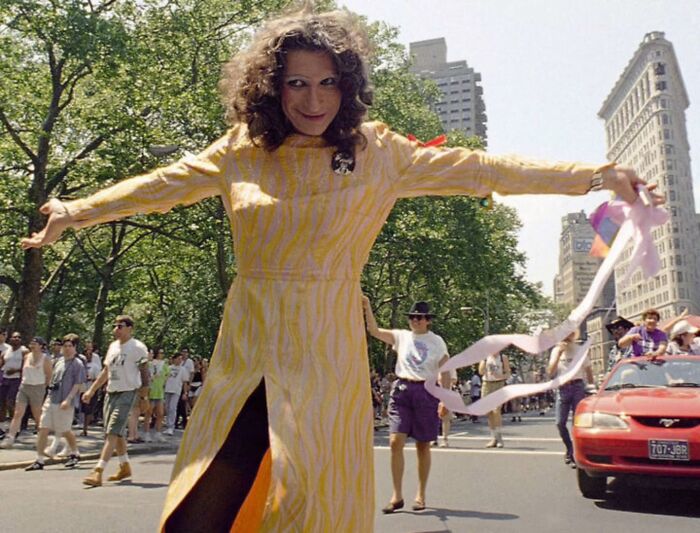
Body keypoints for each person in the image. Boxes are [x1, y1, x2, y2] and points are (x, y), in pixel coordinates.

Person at [19, 4, 660, 530]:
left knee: (310, 498)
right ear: (271, 87)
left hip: (324, 352)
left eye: (328, 82)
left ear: (347, 86)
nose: (314, 98)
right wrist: (75, 210)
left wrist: (596, 177)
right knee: (205, 498)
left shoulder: (380, 152)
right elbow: (160, 185)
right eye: (297, 82)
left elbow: (482, 170)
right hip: (246, 347)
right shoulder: (243, 151)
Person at [363, 297, 450, 513]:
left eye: (420, 317)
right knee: (395, 442)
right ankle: (397, 495)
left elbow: (445, 371)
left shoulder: (437, 341)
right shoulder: (401, 337)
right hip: (402, 390)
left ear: (428, 320)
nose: (416, 321)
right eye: (412, 317)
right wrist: (366, 305)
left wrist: (444, 398)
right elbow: (373, 330)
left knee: (423, 445)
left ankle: (420, 494)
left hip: (426, 391)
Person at [81, 316, 149, 487]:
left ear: (130, 328)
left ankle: (98, 471)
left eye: (120, 326)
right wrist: (92, 390)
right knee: (115, 432)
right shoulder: (113, 347)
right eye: (115, 326)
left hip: (128, 392)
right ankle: (124, 466)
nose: (116, 329)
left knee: (112, 431)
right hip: (111, 392)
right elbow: (106, 371)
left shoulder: (138, 348)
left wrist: (144, 397)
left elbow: (145, 373)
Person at [24, 334, 86, 471]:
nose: (67, 349)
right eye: (65, 346)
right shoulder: (58, 361)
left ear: (75, 347)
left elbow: (78, 384)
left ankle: (75, 453)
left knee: (65, 430)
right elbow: (52, 379)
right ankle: (39, 460)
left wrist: (68, 399)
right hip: (52, 398)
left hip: (65, 401)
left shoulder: (78, 364)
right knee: (43, 428)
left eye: (70, 346)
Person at [547, 331, 593, 467]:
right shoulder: (556, 350)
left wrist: (591, 389)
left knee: (577, 422)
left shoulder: (579, 349)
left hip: (578, 386)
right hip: (563, 388)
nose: (566, 337)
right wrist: (559, 354)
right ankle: (570, 447)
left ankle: (575, 453)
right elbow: (550, 372)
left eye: (569, 334)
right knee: (560, 422)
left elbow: (588, 370)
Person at [0, 337, 53, 448]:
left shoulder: (45, 359)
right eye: (31, 343)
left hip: (37, 387)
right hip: (24, 386)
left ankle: (43, 438)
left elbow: (49, 376)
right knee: (18, 413)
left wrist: (43, 387)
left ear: (41, 346)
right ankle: (10, 438)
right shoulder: (27, 356)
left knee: (37, 415)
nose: (32, 345)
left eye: (35, 343)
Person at [479, 351, 511, 448]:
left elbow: (508, 373)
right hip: (487, 384)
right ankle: (493, 437)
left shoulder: (503, 357)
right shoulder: (485, 357)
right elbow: (480, 372)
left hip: (499, 384)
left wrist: (500, 376)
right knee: (489, 412)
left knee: (496, 410)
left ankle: (499, 437)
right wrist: (484, 364)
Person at [0, 332, 29, 424]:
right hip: (5, 379)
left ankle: (15, 424)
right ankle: (2, 425)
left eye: (19, 337)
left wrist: (16, 370)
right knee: (2, 402)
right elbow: (1, 365)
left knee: (11, 402)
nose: (17, 338)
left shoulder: (24, 351)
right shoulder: (6, 352)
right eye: (15, 337)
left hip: (17, 379)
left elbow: (27, 366)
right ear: (10, 339)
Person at [143, 347, 169, 442]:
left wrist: (164, 382)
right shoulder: (150, 364)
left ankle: (158, 433)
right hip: (151, 390)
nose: (162, 354)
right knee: (149, 413)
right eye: (160, 352)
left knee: (161, 413)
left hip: (160, 392)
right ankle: (146, 433)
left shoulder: (164, 364)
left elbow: (167, 374)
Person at [163, 353, 189, 437]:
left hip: (176, 390)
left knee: (173, 408)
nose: (179, 360)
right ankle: (167, 425)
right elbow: (164, 378)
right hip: (167, 389)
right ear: (174, 359)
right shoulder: (169, 368)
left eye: (181, 359)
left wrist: (185, 393)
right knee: (167, 408)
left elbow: (185, 382)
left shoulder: (183, 369)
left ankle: (171, 426)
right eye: (178, 358)